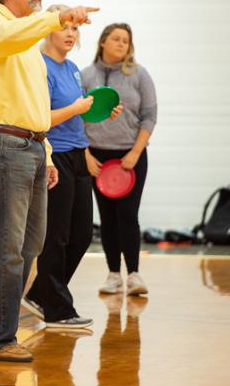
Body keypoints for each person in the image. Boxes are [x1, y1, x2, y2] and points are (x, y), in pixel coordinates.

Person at [0, 0, 98, 363]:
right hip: (2, 144)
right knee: (8, 246)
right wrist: (58, 18)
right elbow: (10, 36)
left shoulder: (26, 44)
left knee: (30, 245)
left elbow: (36, 103)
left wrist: (48, 152)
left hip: (32, 147)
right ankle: (0, 339)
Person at [21, 6, 120, 329]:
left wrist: (98, 110)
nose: (69, 34)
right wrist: (76, 107)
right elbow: (43, 118)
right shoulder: (39, 67)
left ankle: (39, 294)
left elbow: (76, 113)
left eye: (74, 30)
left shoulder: (74, 69)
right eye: (64, 27)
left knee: (80, 235)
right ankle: (58, 310)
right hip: (55, 156)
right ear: (48, 30)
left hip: (77, 154)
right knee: (57, 235)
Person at [82, 23, 158, 296]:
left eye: (126, 40)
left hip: (130, 155)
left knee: (128, 215)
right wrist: (86, 155)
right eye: (116, 39)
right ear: (103, 42)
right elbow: (74, 118)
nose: (121, 44)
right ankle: (114, 274)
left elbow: (149, 115)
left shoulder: (139, 75)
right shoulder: (86, 76)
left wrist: (135, 152)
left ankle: (134, 275)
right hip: (96, 158)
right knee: (107, 218)